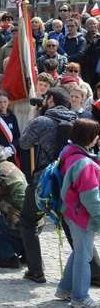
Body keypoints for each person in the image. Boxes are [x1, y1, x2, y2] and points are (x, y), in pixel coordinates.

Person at [19, 87, 85, 284]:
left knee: (28, 220)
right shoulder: (79, 121)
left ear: (50, 99)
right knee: (73, 226)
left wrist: (36, 117)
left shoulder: (42, 121)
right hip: (71, 181)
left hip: (44, 181)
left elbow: (24, 143)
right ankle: (95, 270)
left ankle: (36, 270)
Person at [55, 119, 100, 306]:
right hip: (81, 215)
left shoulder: (68, 152)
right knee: (84, 255)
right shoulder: (84, 163)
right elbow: (91, 197)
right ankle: (80, 298)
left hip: (70, 211)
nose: (98, 138)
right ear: (89, 137)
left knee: (80, 250)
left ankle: (64, 289)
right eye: (96, 135)